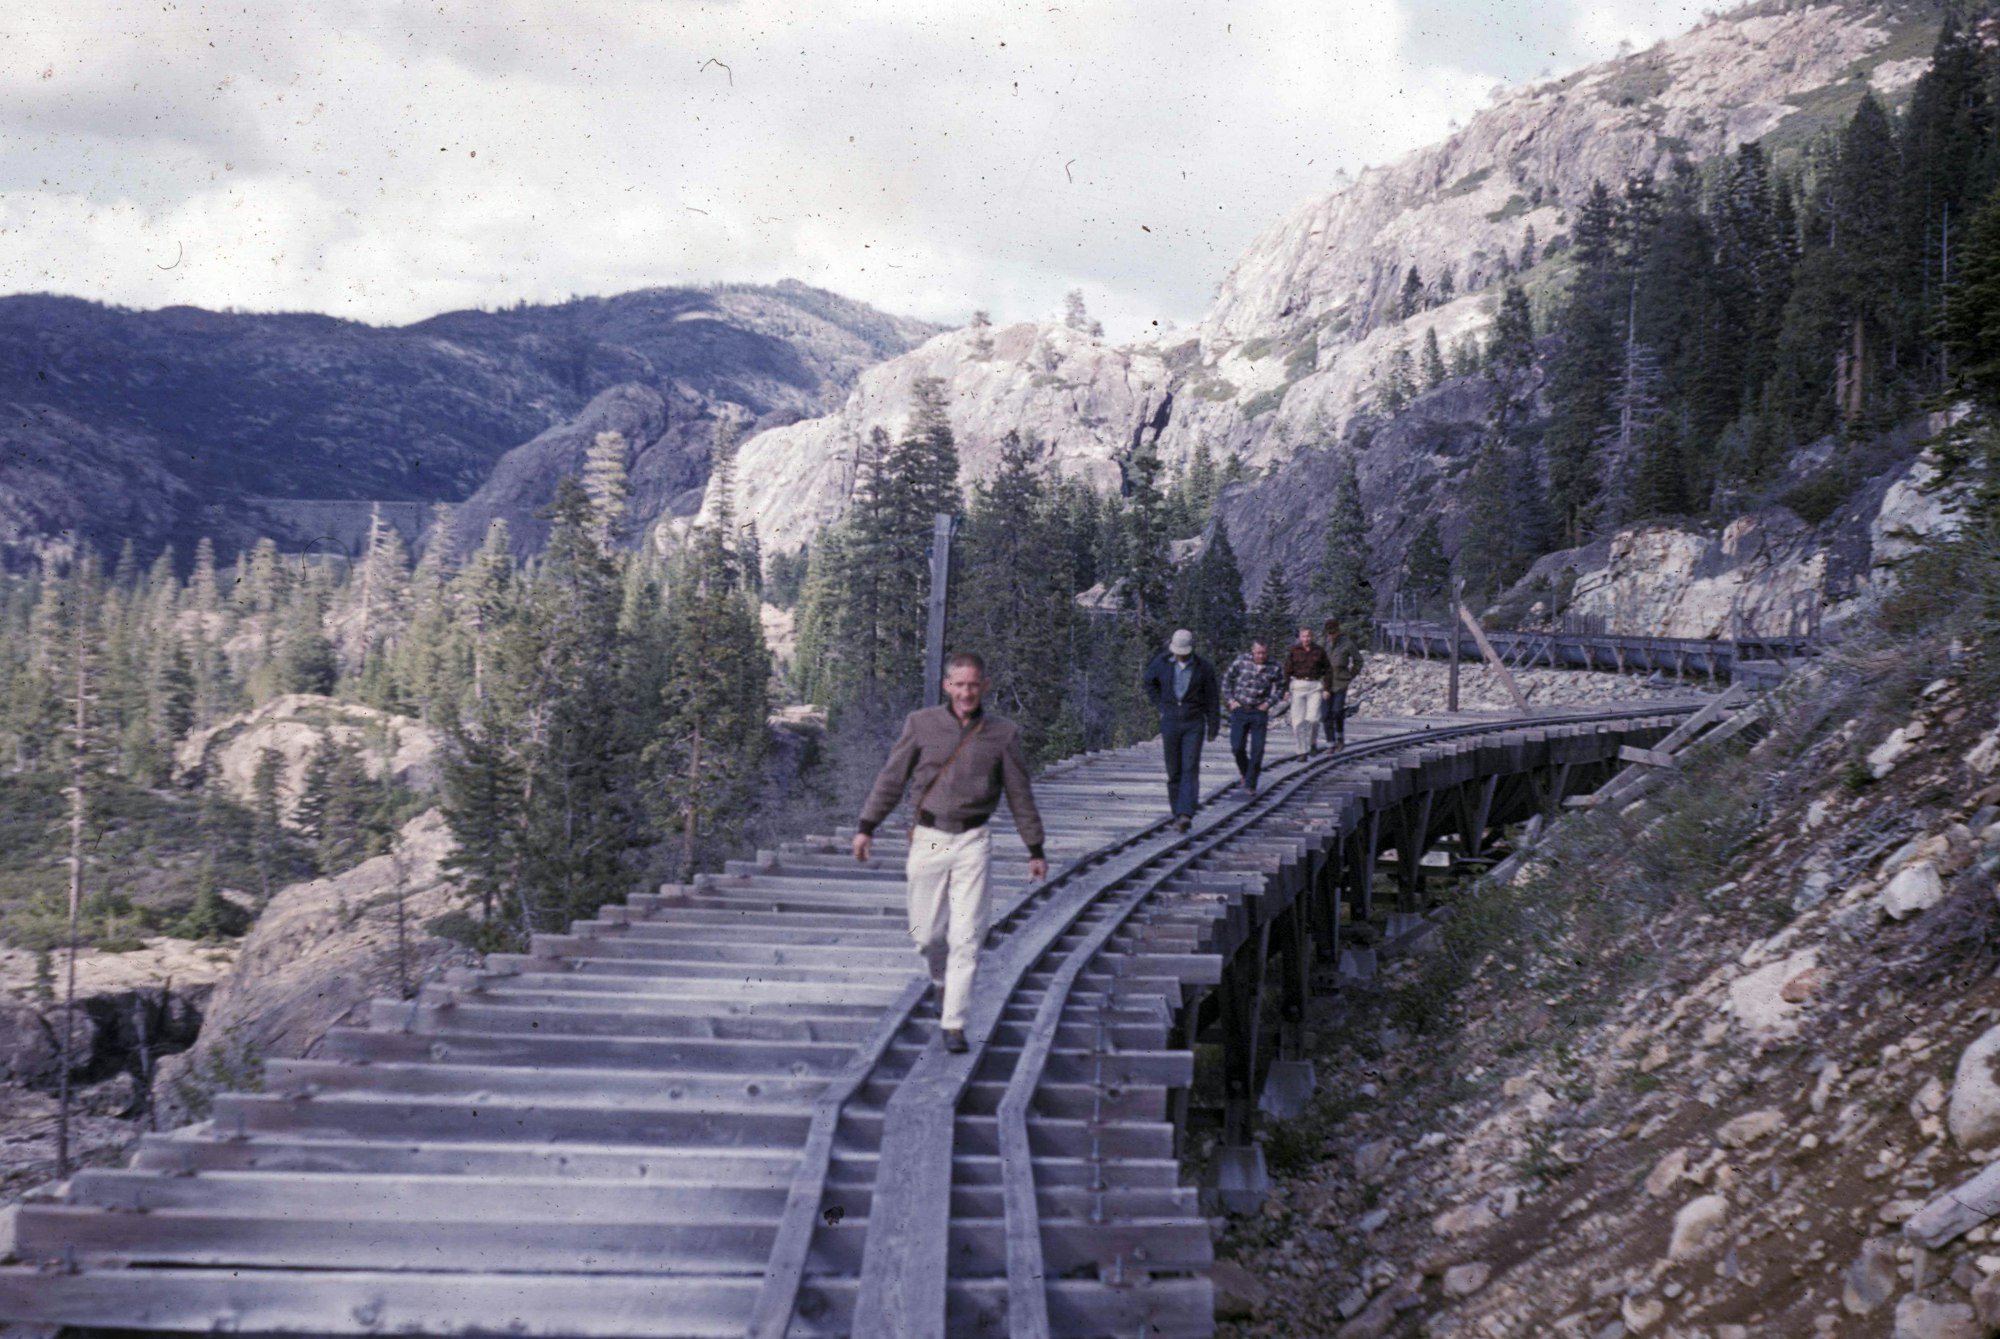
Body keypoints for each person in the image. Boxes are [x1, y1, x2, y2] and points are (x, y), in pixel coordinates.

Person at [854, 652, 1047, 1054]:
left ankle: (954, 1023)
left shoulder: (1002, 734)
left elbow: (1020, 794)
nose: (966, 692)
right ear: (947, 686)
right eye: (959, 684)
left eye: (973, 684)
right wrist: (866, 827)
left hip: (973, 841)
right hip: (929, 837)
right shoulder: (921, 725)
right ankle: (941, 983)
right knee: (927, 936)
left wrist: (1035, 848)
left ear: (984, 686)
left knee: (967, 936)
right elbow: (892, 778)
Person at [1142, 628, 1220, 832]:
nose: (1180, 654)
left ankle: (1186, 813)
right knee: (1173, 769)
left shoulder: (1203, 668)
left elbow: (1212, 697)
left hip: (1194, 722)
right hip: (1170, 722)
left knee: (1190, 766)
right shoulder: (1161, 662)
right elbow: (1149, 682)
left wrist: (1213, 725)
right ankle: (1177, 812)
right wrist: (1161, 704)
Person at [1220, 638, 1285, 795]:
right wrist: (1230, 700)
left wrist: (1269, 703)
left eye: (1263, 653)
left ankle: (1251, 784)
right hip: (1240, 709)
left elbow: (1282, 688)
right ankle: (1245, 772)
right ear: (1252, 651)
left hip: (1259, 711)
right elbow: (1226, 681)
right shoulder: (1241, 662)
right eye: (1258, 653)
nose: (1261, 656)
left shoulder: (1275, 666)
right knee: (1237, 747)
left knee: (1258, 749)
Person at [1282, 626, 1332, 755]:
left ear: (1312, 636)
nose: (1306, 639)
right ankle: (1301, 750)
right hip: (1298, 685)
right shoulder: (1294, 650)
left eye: (1308, 636)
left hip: (1314, 686)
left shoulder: (1319, 651)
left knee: (1313, 718)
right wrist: (1286, 689)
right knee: (1298, 720)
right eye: (1304, 636)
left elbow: (1328, 670)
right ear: (1300, 637)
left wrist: (1326, 688)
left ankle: (1311, 742)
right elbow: (1287, 671)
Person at [1321, 617, 1366, 750]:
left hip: (1340, 682)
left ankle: (1339, 737)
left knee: (1337, 711)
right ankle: (1330, 743)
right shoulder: (1322, 644)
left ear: (1338, 631)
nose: (1331, 636)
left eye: (1333, 633)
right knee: (1325, 715)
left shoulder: (1347, 643)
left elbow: (1359, 661)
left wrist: (1350, 675)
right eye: (1329, 633)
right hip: (1325, 685)